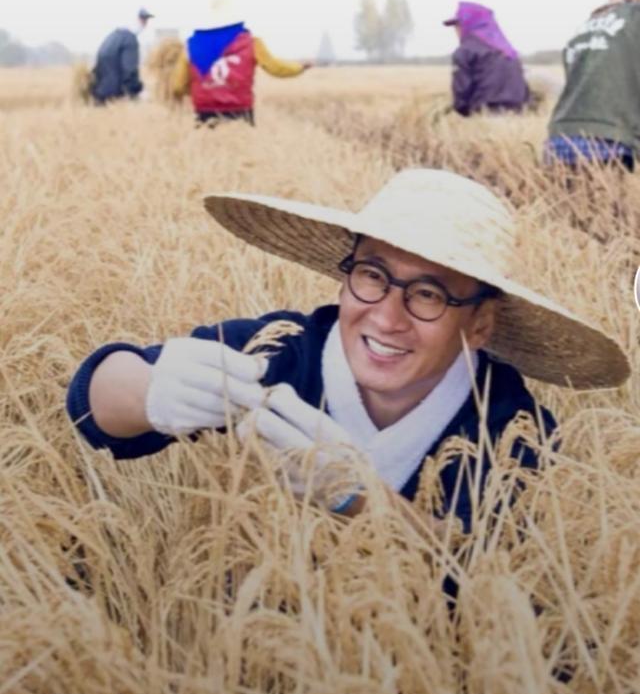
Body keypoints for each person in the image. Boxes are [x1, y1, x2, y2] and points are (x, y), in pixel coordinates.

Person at [66, 168, 629, 532]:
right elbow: (92, 402)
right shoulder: (282, 353)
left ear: (480, 324)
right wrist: (151, 393)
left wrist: (361, 502)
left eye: (428, 295)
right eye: (372, 275)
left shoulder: (509, 429)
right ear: (344, 276)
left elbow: (488, 583)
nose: (385, 316)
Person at [545, 0, 640, 172]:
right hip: (609, 139)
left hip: (558, 138)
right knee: (610, 203)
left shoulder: (584, 28)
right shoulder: (635, 17)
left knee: (568, 202)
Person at [170, 0, 312, 126]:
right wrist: (299, 67)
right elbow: (274, 67)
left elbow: (177, 85)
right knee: (242, 152)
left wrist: (195, 90)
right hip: (239, 111)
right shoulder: (251, 42)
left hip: (204, 111)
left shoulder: (191, 45)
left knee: (207, 152)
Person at [444, 2, 529, 116]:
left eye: (459, 25)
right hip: (519, 115)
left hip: (485, 115)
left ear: (470, 25)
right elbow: (525, 89)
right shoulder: (509, 51)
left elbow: (462, 92)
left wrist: (461, 113)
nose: (456, 30)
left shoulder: (465, 51)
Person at [91, 7, 154, 104]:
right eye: (142, 19)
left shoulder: (112, 37)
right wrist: (138, 90)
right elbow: (129, 70)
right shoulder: (130, 40)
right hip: (113, 98)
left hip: (99, 95)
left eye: (146, 20)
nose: (145, 24)